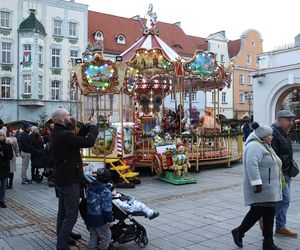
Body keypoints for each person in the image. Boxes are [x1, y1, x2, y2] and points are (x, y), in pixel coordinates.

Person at [50, 108, 98, 250]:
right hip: (69, 179)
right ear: (61, 119)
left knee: (63, 212)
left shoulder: (59, 133)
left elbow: (76, 138)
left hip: (62, 178)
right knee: (71, 215)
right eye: (68, 115)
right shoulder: (63, 135)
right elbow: (88, 142)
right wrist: (94, 126)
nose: (70, 117)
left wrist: (87, 126)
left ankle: (64, 235)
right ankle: (62, 244)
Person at [231, 122, 283, 250]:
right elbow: (251, 165)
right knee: (256, 213)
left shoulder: (265, 145)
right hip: (261, 188)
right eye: (270, 135)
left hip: (270, 188)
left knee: (269, 216)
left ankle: (268, 243)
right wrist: (257, 183)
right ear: (263, 136)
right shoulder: (255, 146)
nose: (272, 137)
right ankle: (239, 231)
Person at [271, 110, 298, 237]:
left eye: (292, 120)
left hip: (287, 172)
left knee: (283, 201)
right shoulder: (273, 133)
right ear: (279, 120)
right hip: (279, 173)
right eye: (288, 120)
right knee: (285, 200)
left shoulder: (284, 132)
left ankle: (280, 227)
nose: (291, 123)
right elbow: (272, 156)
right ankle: (265, 217)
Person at [86, 168, 114, 250]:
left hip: (90, 216)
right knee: (106, 236)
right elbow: (106, 208)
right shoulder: (106, 191)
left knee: (93, 236)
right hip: (100, 218)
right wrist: (110, 219)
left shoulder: (90, 186)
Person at [0, 130, 13, 208]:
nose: (1, 136)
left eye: (2, 135)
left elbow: (10, 156)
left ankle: (2, 200)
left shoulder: (8, 145)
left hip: (4, 167)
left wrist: (3, 150)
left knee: (3, 185)